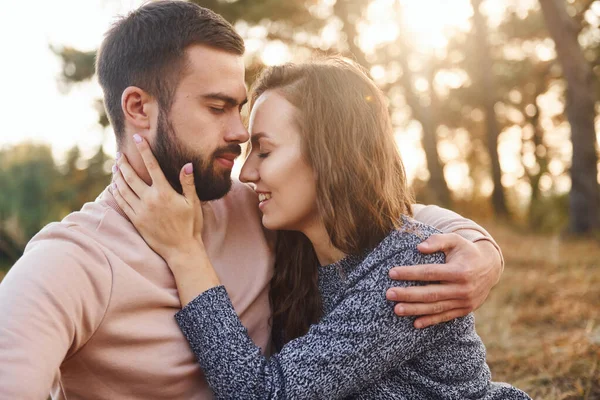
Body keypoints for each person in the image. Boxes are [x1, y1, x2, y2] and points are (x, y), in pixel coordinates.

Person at [0, 2, 502, 399]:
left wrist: (478, 250)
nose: (240, 136)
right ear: (138, 107)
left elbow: (388, 221)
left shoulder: (256, 207)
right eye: (218, 107)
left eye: (242, 112)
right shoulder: (70, 260)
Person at [113, 58, 529, 399]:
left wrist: (185, 253)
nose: (248, 171)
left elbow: (261, 395)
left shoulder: (407, 271)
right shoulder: (298, 259)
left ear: (330, 156)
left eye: (266, 150)